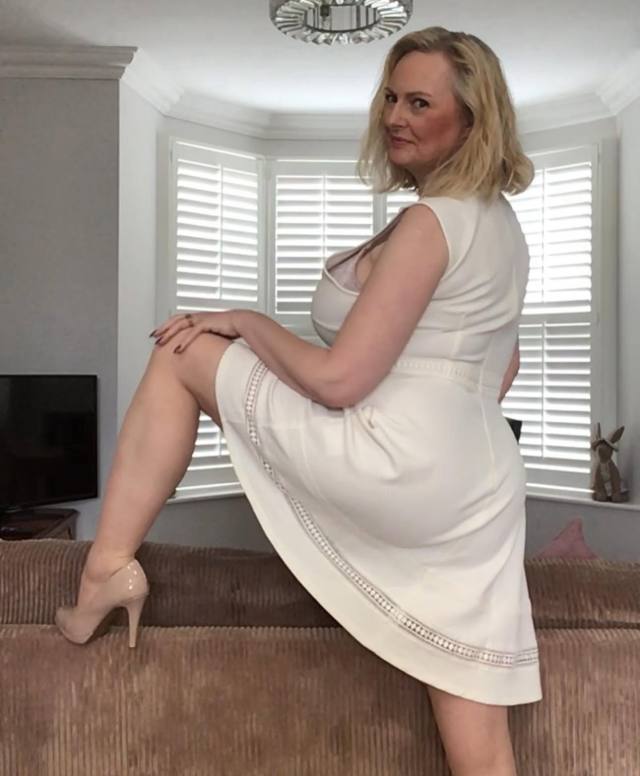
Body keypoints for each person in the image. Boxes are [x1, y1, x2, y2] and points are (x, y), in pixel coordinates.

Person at [55, 25, 541, 776]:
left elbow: (340, 381)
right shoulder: (502, 227)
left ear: (474, 120)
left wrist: (246, 322)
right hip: (481, 488)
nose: (395, 116)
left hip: (401, 464)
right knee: (479, 739)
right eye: (391, 97)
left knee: (181, 353)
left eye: (420, 102)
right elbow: (499, 368)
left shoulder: (431, 223)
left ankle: (106, 567)